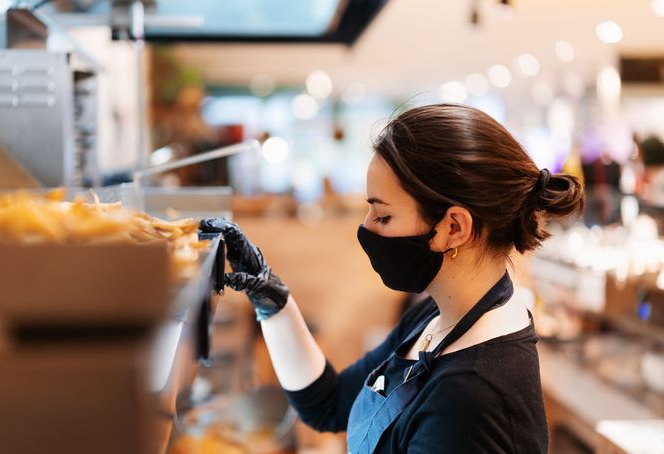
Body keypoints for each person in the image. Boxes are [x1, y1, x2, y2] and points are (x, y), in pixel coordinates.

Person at [200, 103, 584, 453]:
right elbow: (330, 404)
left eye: (383, 217)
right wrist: (271, 299)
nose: (366, 228)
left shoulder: (470, 397)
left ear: (453, 227)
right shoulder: (437, 319)